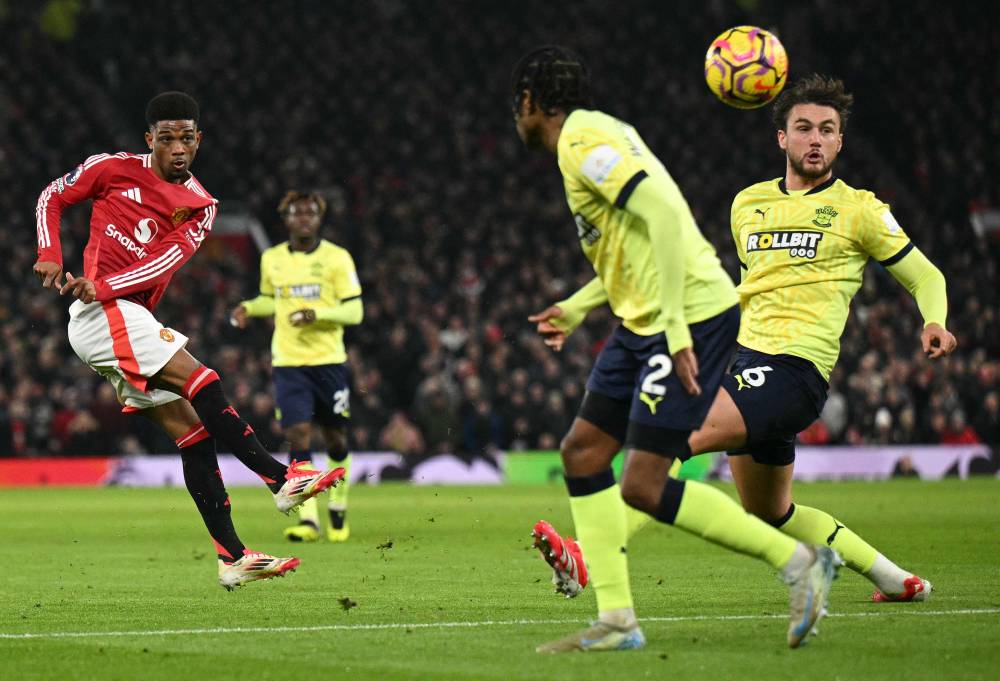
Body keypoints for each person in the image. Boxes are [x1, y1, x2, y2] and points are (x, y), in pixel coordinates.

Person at [538, 75, 955, 607]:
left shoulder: (861, 210)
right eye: (803, 128)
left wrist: (933, 321)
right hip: (741, 360)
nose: (815, 139)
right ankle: (898, 580)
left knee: (667, 444)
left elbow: (927, 277)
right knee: (771, 511)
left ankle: (587, 558)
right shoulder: (748, 205)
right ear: (781, 137)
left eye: (827, 130)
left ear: (840, 142)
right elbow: (744, 286)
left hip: (794, 369)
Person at [513, 47, 840, 653]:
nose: (518, 121)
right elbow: (632, 241)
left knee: (642, 481)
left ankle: (799, 563)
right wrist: (582, 305)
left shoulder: (583, 140)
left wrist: (677, 327)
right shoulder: (595, 136)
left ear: (533, 103)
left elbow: (663, 211)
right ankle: (617, 621)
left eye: (519, 108)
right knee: (583, 453)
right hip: (643, 320)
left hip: (685, 312)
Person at [32, 92, 345, 590]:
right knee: (204, 379)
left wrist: (104, 284)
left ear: (198, 139)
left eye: (186, 138)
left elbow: (164, 262)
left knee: (194, 434)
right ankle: (279, 479)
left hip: (116, 308)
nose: (177, 147)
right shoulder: (111, 168)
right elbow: (52, 195)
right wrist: (50, 251)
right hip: (101, 314)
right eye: (166, 138)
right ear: (149, 139)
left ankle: (233, 556)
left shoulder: (200, 206)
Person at [231, 190, 363, 542]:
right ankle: (309, 520)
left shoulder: (337, 258)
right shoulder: (272, 258)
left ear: (319, 218)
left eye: (309, 213)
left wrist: (316, 314)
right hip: (289, 363)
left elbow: (355, 311)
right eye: (295, 213)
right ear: (285, 218)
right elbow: (269, 300)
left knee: (335, 439)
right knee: (298, 435)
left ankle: (338, 507)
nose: (303, 218)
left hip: (329, 361)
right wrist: (248, 307)